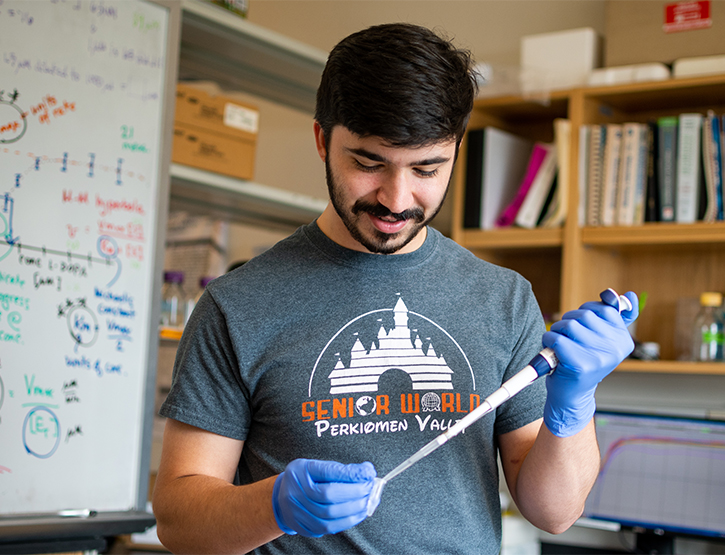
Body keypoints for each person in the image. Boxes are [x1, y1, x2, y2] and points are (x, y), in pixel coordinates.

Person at [152, 22, 638, 555]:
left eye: (427, 168)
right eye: (368, 163)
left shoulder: (504, 299)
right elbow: (179, 521)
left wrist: (575, 403)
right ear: (322, 140)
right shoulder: (237, 305)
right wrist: (270, 505)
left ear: (455, 149)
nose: (396, 199)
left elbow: (555, 513)